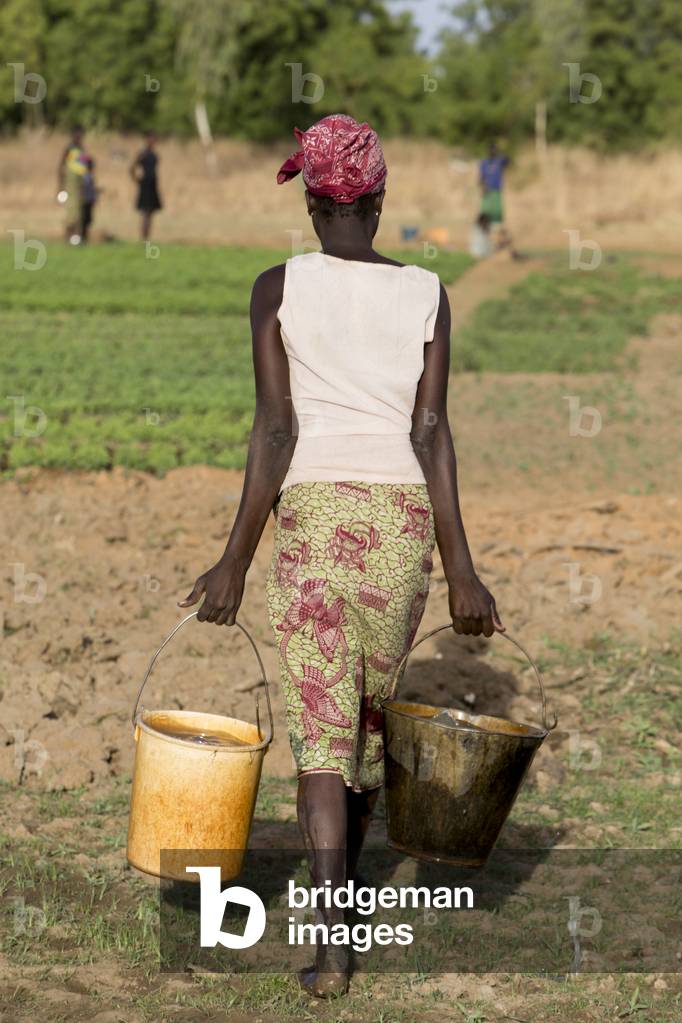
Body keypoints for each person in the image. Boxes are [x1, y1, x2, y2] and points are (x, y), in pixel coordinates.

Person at [179, 114, 504, 998]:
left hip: (317, 517)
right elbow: (431, 430)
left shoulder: (275, 286)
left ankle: (331, 941)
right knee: (361, 723)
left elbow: (277, 429)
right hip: (399, 524)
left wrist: (234, 560)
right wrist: (462, 565)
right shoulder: (429, 292)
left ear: (315, 202)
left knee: (323, 733)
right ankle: (344, 908)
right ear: (379, 198)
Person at [57, 124, 88, 244]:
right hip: (70, 185)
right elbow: (61, 167)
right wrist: (60, 186)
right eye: (78, 134)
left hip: (79, 185)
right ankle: (68, 237)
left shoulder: (82, 149)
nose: (80, 136)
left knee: (79, 213)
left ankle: (76, 238)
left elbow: (82, 168)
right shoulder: (69, 148)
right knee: (71, 212)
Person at [130, 131, 162, 241]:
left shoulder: (154, 154)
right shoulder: (142, 154)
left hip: (153, 184)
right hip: (145, 185)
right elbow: (132, 168)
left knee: (151, 212)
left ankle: (147, 237)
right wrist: (137, 180)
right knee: (145, 212)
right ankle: (143, 237)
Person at [479, 141, 509, 225]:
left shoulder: (499, 161)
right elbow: (481, 177)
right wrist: (483, 186)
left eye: (494, 150)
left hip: (497, 189)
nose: (492, 152)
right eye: (490, 150)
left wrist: (500, 152)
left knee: (497, 209)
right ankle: (485, 225)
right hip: (487, 189)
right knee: (485, 209)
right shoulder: (484, 162)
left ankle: (498, 224)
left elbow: (508, 160)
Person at [80, 157, 98, 243]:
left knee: (86, 221)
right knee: (84, 220)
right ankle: (83, 238)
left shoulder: (87, 175)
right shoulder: (86, 176)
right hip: (86, 201)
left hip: (88, 201)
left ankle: (84, 238)